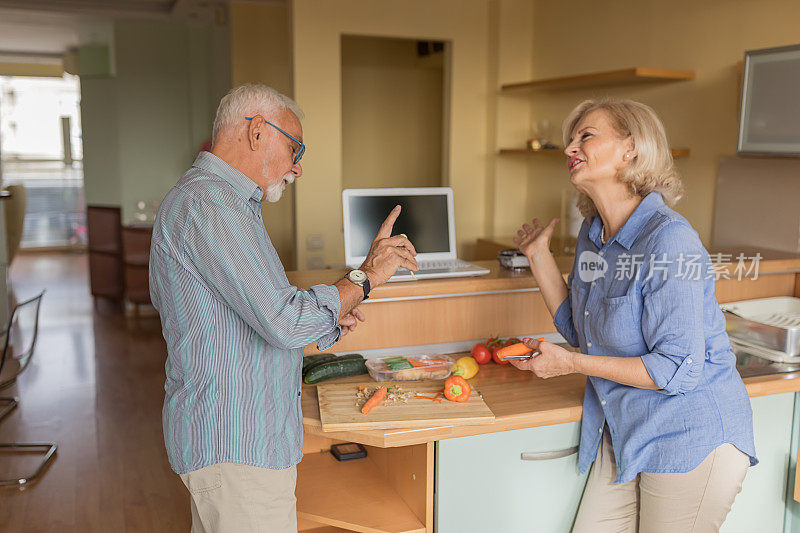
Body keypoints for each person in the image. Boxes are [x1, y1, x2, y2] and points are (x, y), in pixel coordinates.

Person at [149, 84, 419, 533]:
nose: (297, 165)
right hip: (237, 446)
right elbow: (284, 321)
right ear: (256, 131)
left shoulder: (226, 203)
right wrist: (365, 276)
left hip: (235, 443)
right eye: (295, 147)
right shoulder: (211, 204)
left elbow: (264, 315)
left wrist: (336, 309)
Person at [510, 98, 756, 532]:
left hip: (690, 436)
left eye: (585, 136)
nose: (570, 149)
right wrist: (539, 256)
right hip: (628, 432)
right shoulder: (594, 234)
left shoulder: (669, 241)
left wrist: (569, 363)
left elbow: (676, 368)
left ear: (631, 149)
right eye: (570, 140)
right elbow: (579, 329)